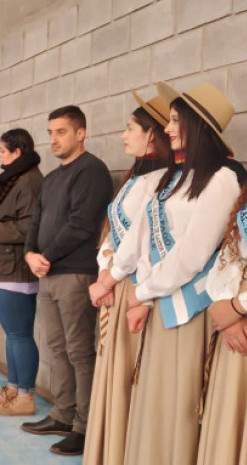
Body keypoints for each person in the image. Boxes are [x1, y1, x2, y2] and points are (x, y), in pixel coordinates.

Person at [93, 82, 242, 464]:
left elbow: (193, 254)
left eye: (176, 120)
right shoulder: (180, 177)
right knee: (154, 400)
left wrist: (143, 293)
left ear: (197, 126)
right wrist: (143, 291)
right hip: (159, 301)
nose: (169, 128)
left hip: (186, 307)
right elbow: (145, 237)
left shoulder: (222, 177)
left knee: (175, 405)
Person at [83, 92, 171, 463]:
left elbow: (145, 239)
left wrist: (112, 278)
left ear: (152, 134)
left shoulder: (164, 179)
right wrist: (105, 266)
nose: (123, 135)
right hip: (114, 282)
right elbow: (113, 234)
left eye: (130, 128)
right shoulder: (136, 177)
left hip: (133, 288)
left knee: (127, 373)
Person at [21, 105, 113, 456]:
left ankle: (85, 425)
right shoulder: (52, 177)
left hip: (75, 272)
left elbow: (82, 224)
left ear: (80, 133)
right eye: (50, 133)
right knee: (56, 348)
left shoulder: (91, 171)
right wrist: (30, 254)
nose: (54, 139)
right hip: (47, 272)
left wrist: (46, 257)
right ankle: (62, 414)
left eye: (61, 132)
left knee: (78, 352)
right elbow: (36, 220)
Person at [199, 151, 247, 465]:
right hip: (241, 314)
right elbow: (232, 250)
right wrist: (224, 303)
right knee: (233, 412)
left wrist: (238, 305)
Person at [0, 128, 43, 415]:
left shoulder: (29, 181)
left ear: (17, 152)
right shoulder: (14, 179)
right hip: (2, 268)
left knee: (19, 335)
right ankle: (12, 390)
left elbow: (31, 225)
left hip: (14, 269)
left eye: (3, 150)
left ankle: (25, 396)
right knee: (12, 335)